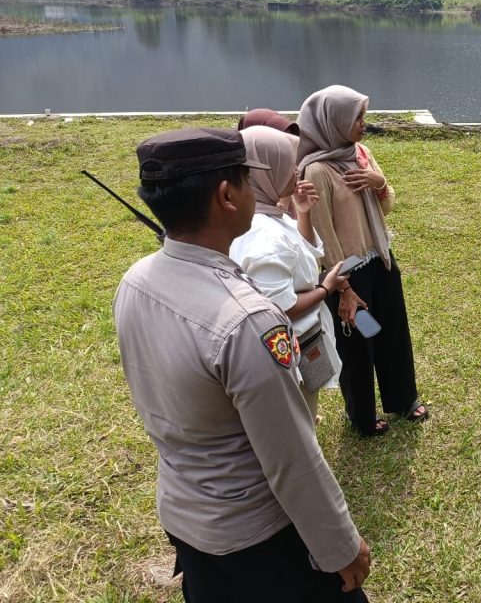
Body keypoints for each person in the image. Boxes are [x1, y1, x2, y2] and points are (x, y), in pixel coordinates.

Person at [113, 127, 371, 601]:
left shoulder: (136, 280)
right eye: (247, 181)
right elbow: (291, 457)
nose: (257, 191)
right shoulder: (247, 321)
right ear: (227, 195)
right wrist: (340, 546)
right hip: (261, 537)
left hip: (187, 518)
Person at [297, 85, 427, 437]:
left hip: (380, 258)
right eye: (357, 118)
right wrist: (344, 289)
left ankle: (403, 399)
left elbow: (387, 206)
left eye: (363, 117)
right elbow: (323, 236)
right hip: (348, 272)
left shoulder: (360, 153)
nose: (363, 125)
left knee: (393, 331)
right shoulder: (318, 172)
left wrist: (379, 182)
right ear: (333, 121)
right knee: (357, 344)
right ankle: (362, 415)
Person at [229, 125, 360, 420]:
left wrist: (302, 213)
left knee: (304, 406)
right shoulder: (263, 239)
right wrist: (326, 288)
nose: (298, 172)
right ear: (266, 173)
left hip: (300, 341)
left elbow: (301, 249)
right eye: (290, 166)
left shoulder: (266, 214)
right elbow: (280, 309)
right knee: (297, 421)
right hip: (287, 349)